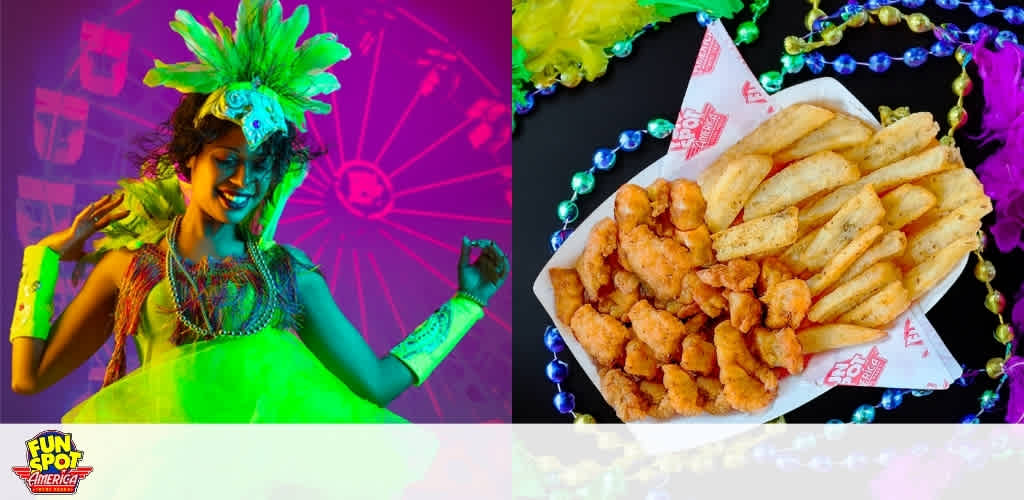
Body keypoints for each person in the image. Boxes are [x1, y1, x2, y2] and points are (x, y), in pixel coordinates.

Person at [8, 0, 509, 423]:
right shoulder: (132, 272)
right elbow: (28, 378)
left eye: (262, 166)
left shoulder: (286, 277)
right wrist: (44, 258)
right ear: (187, 161)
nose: (245, 182)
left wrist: (466, 303)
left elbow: (374, 385)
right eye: (227, 161)